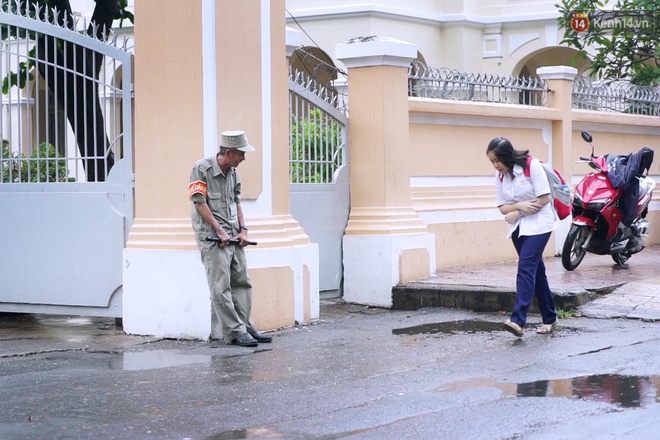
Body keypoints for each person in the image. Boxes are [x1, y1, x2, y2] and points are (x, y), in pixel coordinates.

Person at [188, 130, 272, 347]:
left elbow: (236, 203)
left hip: (233, 236)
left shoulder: (233, 173)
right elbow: (199, 202)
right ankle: (234, 332)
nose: (244, 158)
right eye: (241, 153)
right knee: (221, 285)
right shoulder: (201, 169)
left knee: (242, 282)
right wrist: (218, 230)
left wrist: (243, 230)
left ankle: (246, 327)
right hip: (213, 238)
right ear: (230, 152)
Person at [486, 137, 560, 337]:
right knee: (536, 272)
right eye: (492, 161)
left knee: (526, 267)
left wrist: (517, 212)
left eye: (497, 160)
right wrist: (518, 207)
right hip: (518, 227)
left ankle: (518, 320)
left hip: (540, 225)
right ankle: (550, 318)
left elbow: (544, 198)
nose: (495, 165)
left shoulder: (531, 166)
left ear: (507, 156)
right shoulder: (499, 176)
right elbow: (502, 207)